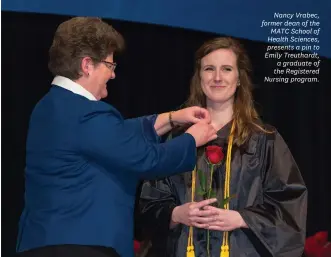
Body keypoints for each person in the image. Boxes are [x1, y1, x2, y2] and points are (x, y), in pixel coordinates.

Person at [16, 17, 218, 257]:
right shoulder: (86, 114)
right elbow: (147, 159)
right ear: (87, 65)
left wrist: (171, 118)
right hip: (81, 246)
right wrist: (193, 138)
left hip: (43, 243)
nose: (112, 75)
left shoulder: (49, 106)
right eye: (110, 66)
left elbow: (115, 136)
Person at [137, 37, 308, 257]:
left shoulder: (264, 140)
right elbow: (149, 203)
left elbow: (289, 206)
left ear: (239, 79)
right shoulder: (178, 139)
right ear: (199, 77)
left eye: (226, 69)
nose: (217, 77)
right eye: (209, 69)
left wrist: (242, 218)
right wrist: (177, 213)